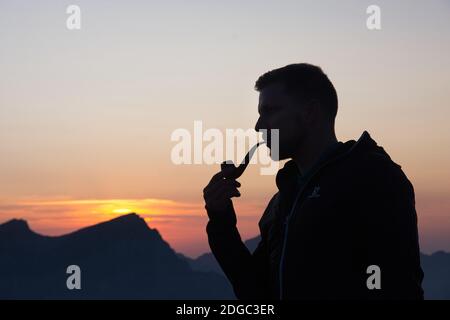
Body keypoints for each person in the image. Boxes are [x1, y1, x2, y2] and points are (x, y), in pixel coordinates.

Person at [203, 63, 424, 299]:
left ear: (309, 113)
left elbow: (398, 284)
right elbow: (256, 291)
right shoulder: (284, 200)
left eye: (269, 111)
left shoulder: (373, 178)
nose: (258, 126)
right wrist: (221, 221)